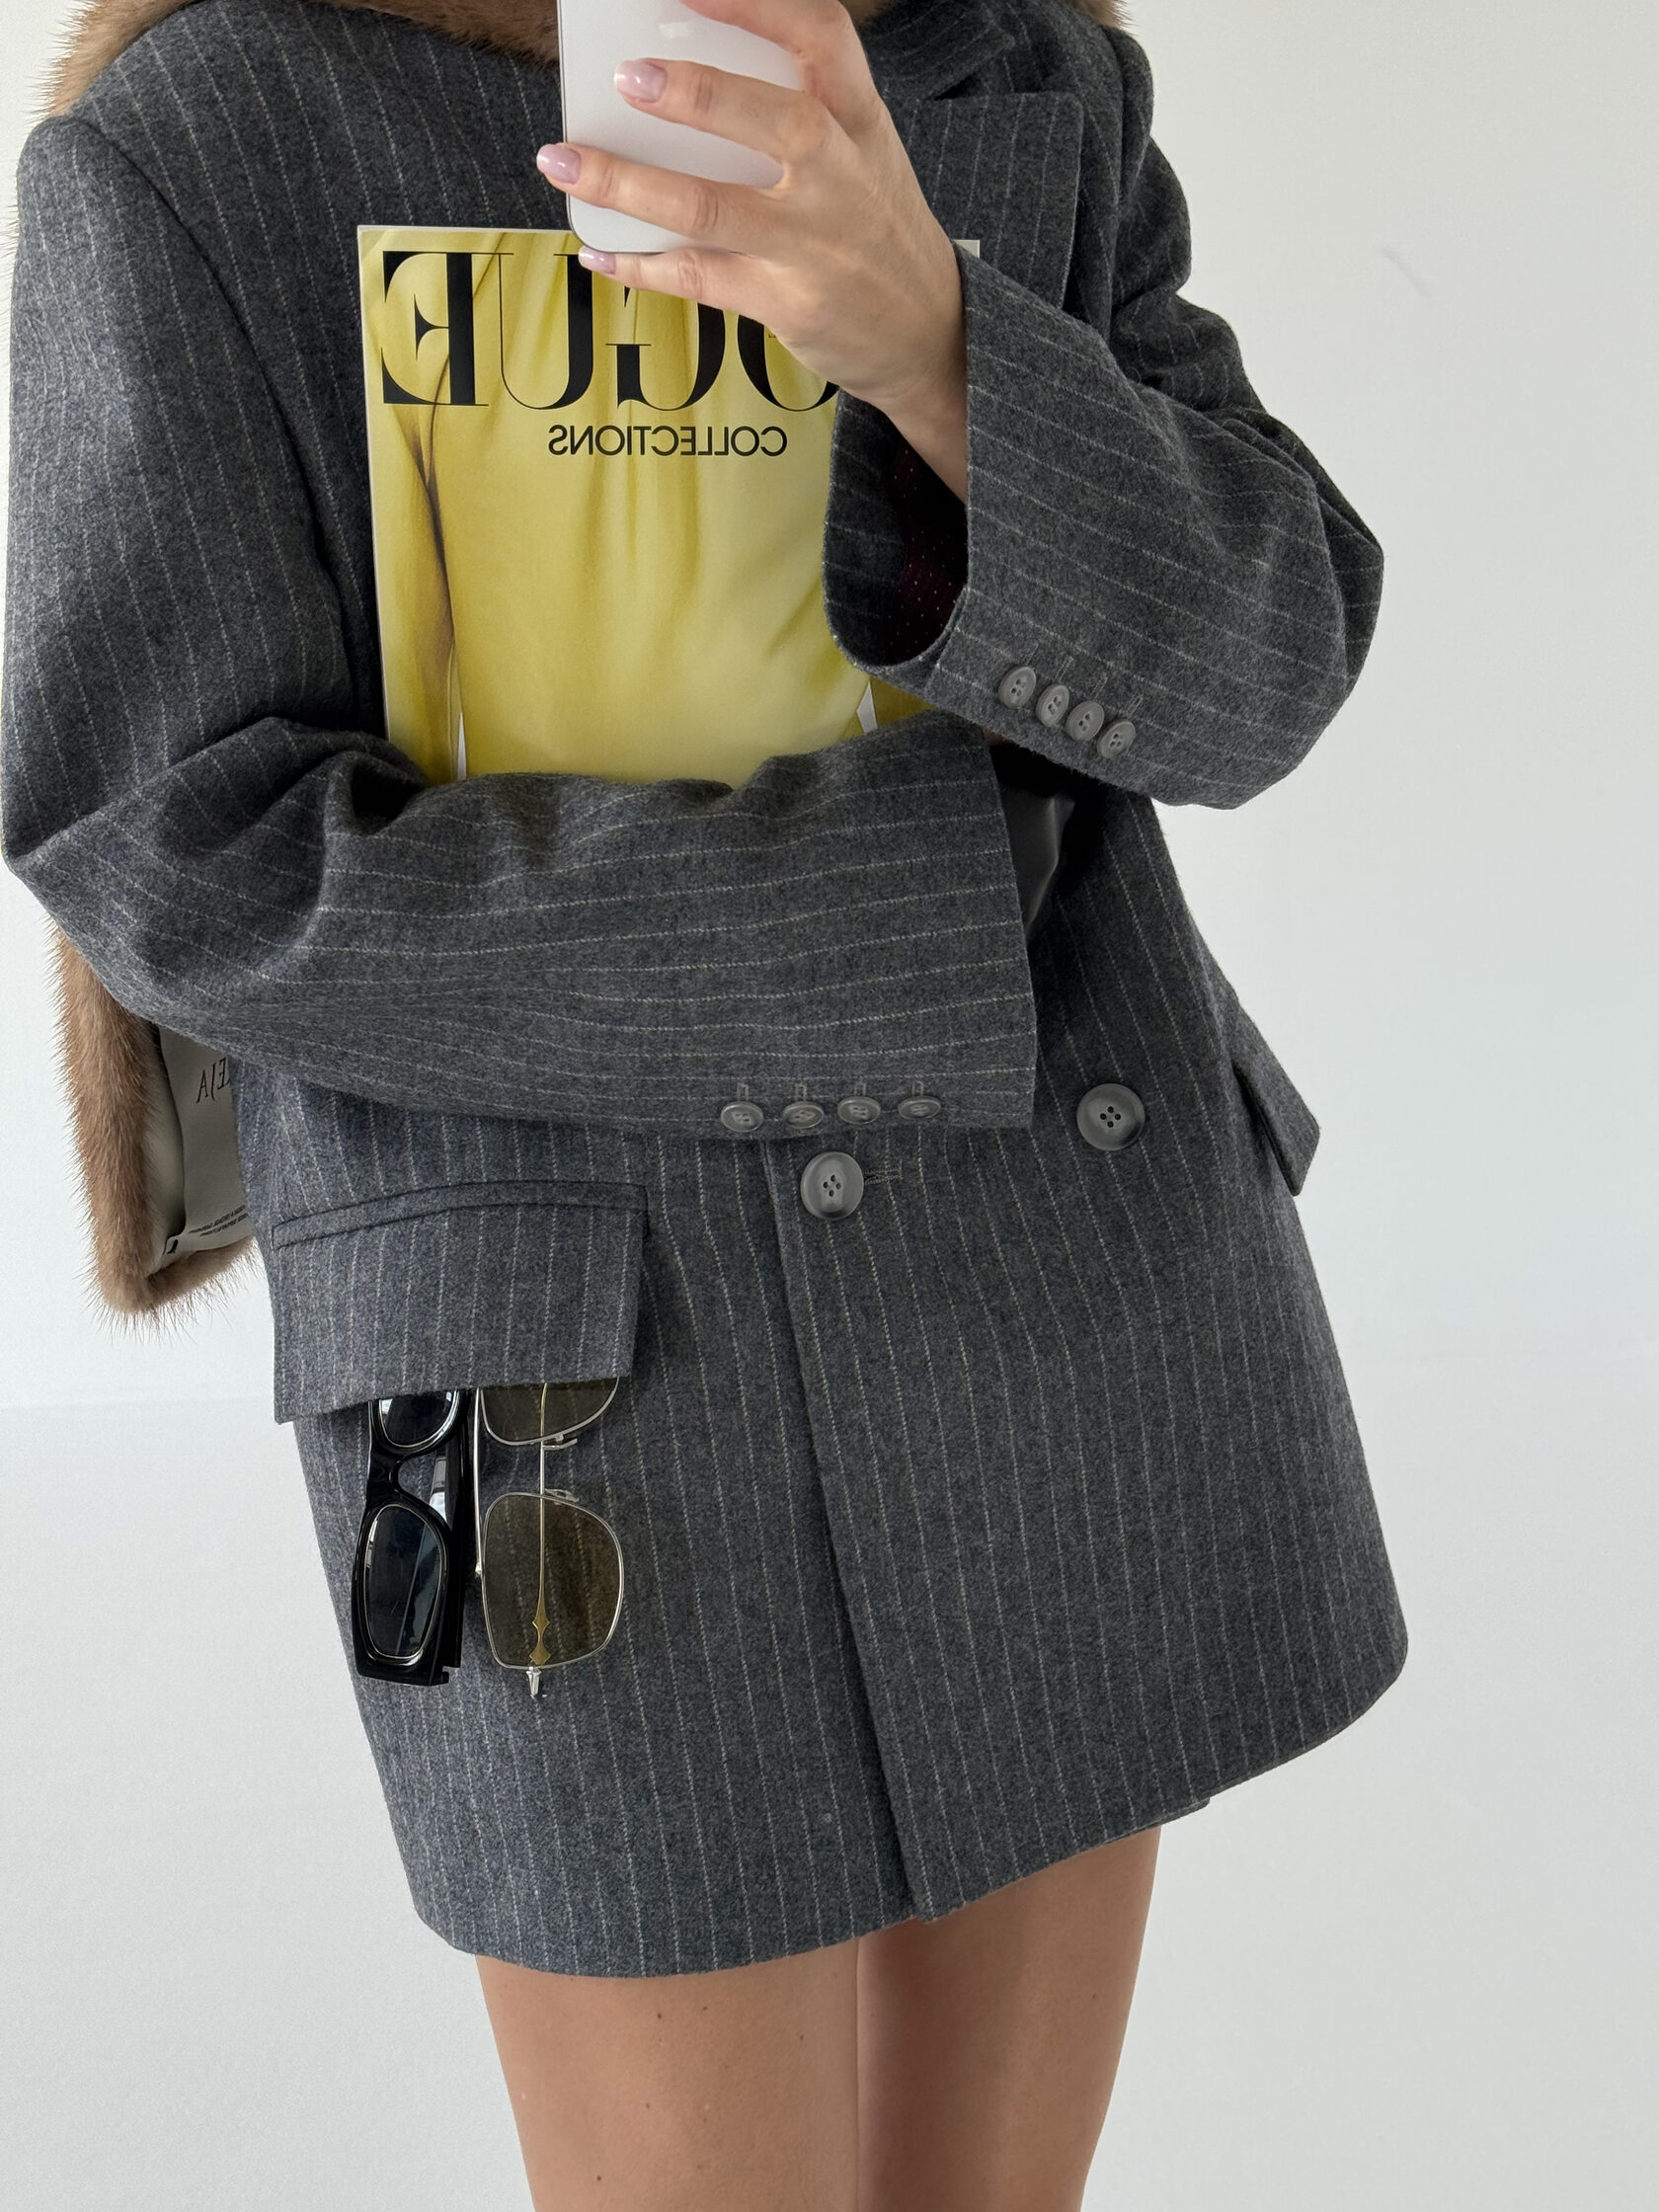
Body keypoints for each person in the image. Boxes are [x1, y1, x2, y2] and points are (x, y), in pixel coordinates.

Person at [1, 1, 1408, 2206]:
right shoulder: (213, 136)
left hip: (1065, 1293)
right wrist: (880, 914)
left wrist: (932, 339)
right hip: (571, 1390)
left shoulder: (1005, 67)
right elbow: (179, 845)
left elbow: (1265, 665)